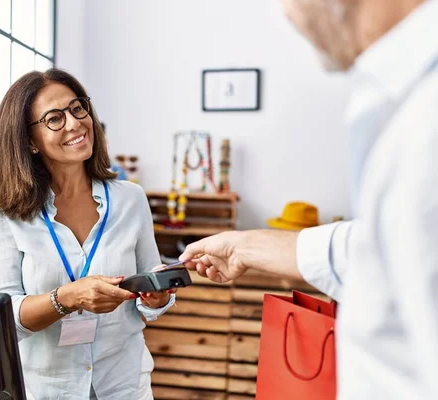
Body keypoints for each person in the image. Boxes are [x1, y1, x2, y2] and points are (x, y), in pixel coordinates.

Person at [179, 0, 438, 398]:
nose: (287, 14)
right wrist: (244, 245)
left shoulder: (425, 119)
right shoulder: (402, 101)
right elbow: (375, 252)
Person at [0, 69, 175, 400]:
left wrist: (158, 295)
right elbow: (6, 317)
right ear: (29, 141)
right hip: (48, 389)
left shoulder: (130, 198)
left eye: (77, 108)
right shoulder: (6, 216)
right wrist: (67, 298)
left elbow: (150, 283)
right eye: (54, 118)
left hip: (124, 382)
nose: (74, 124)